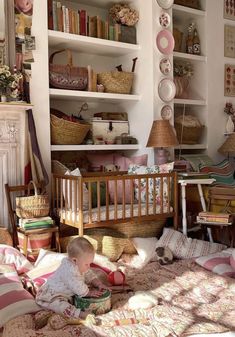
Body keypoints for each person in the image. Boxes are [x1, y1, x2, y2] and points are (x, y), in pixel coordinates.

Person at [36, 237, 110, 319]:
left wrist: (99, 284)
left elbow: (89, 274)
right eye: (86, 264)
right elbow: (77, 285)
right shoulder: (69, 270)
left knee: (86, 280)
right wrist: (88, 293)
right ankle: (79, 314)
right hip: (52, 295)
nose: (89, 267)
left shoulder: (79, 265)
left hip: (65, 293)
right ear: (75, 260)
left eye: (90, 263)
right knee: (60, 306)